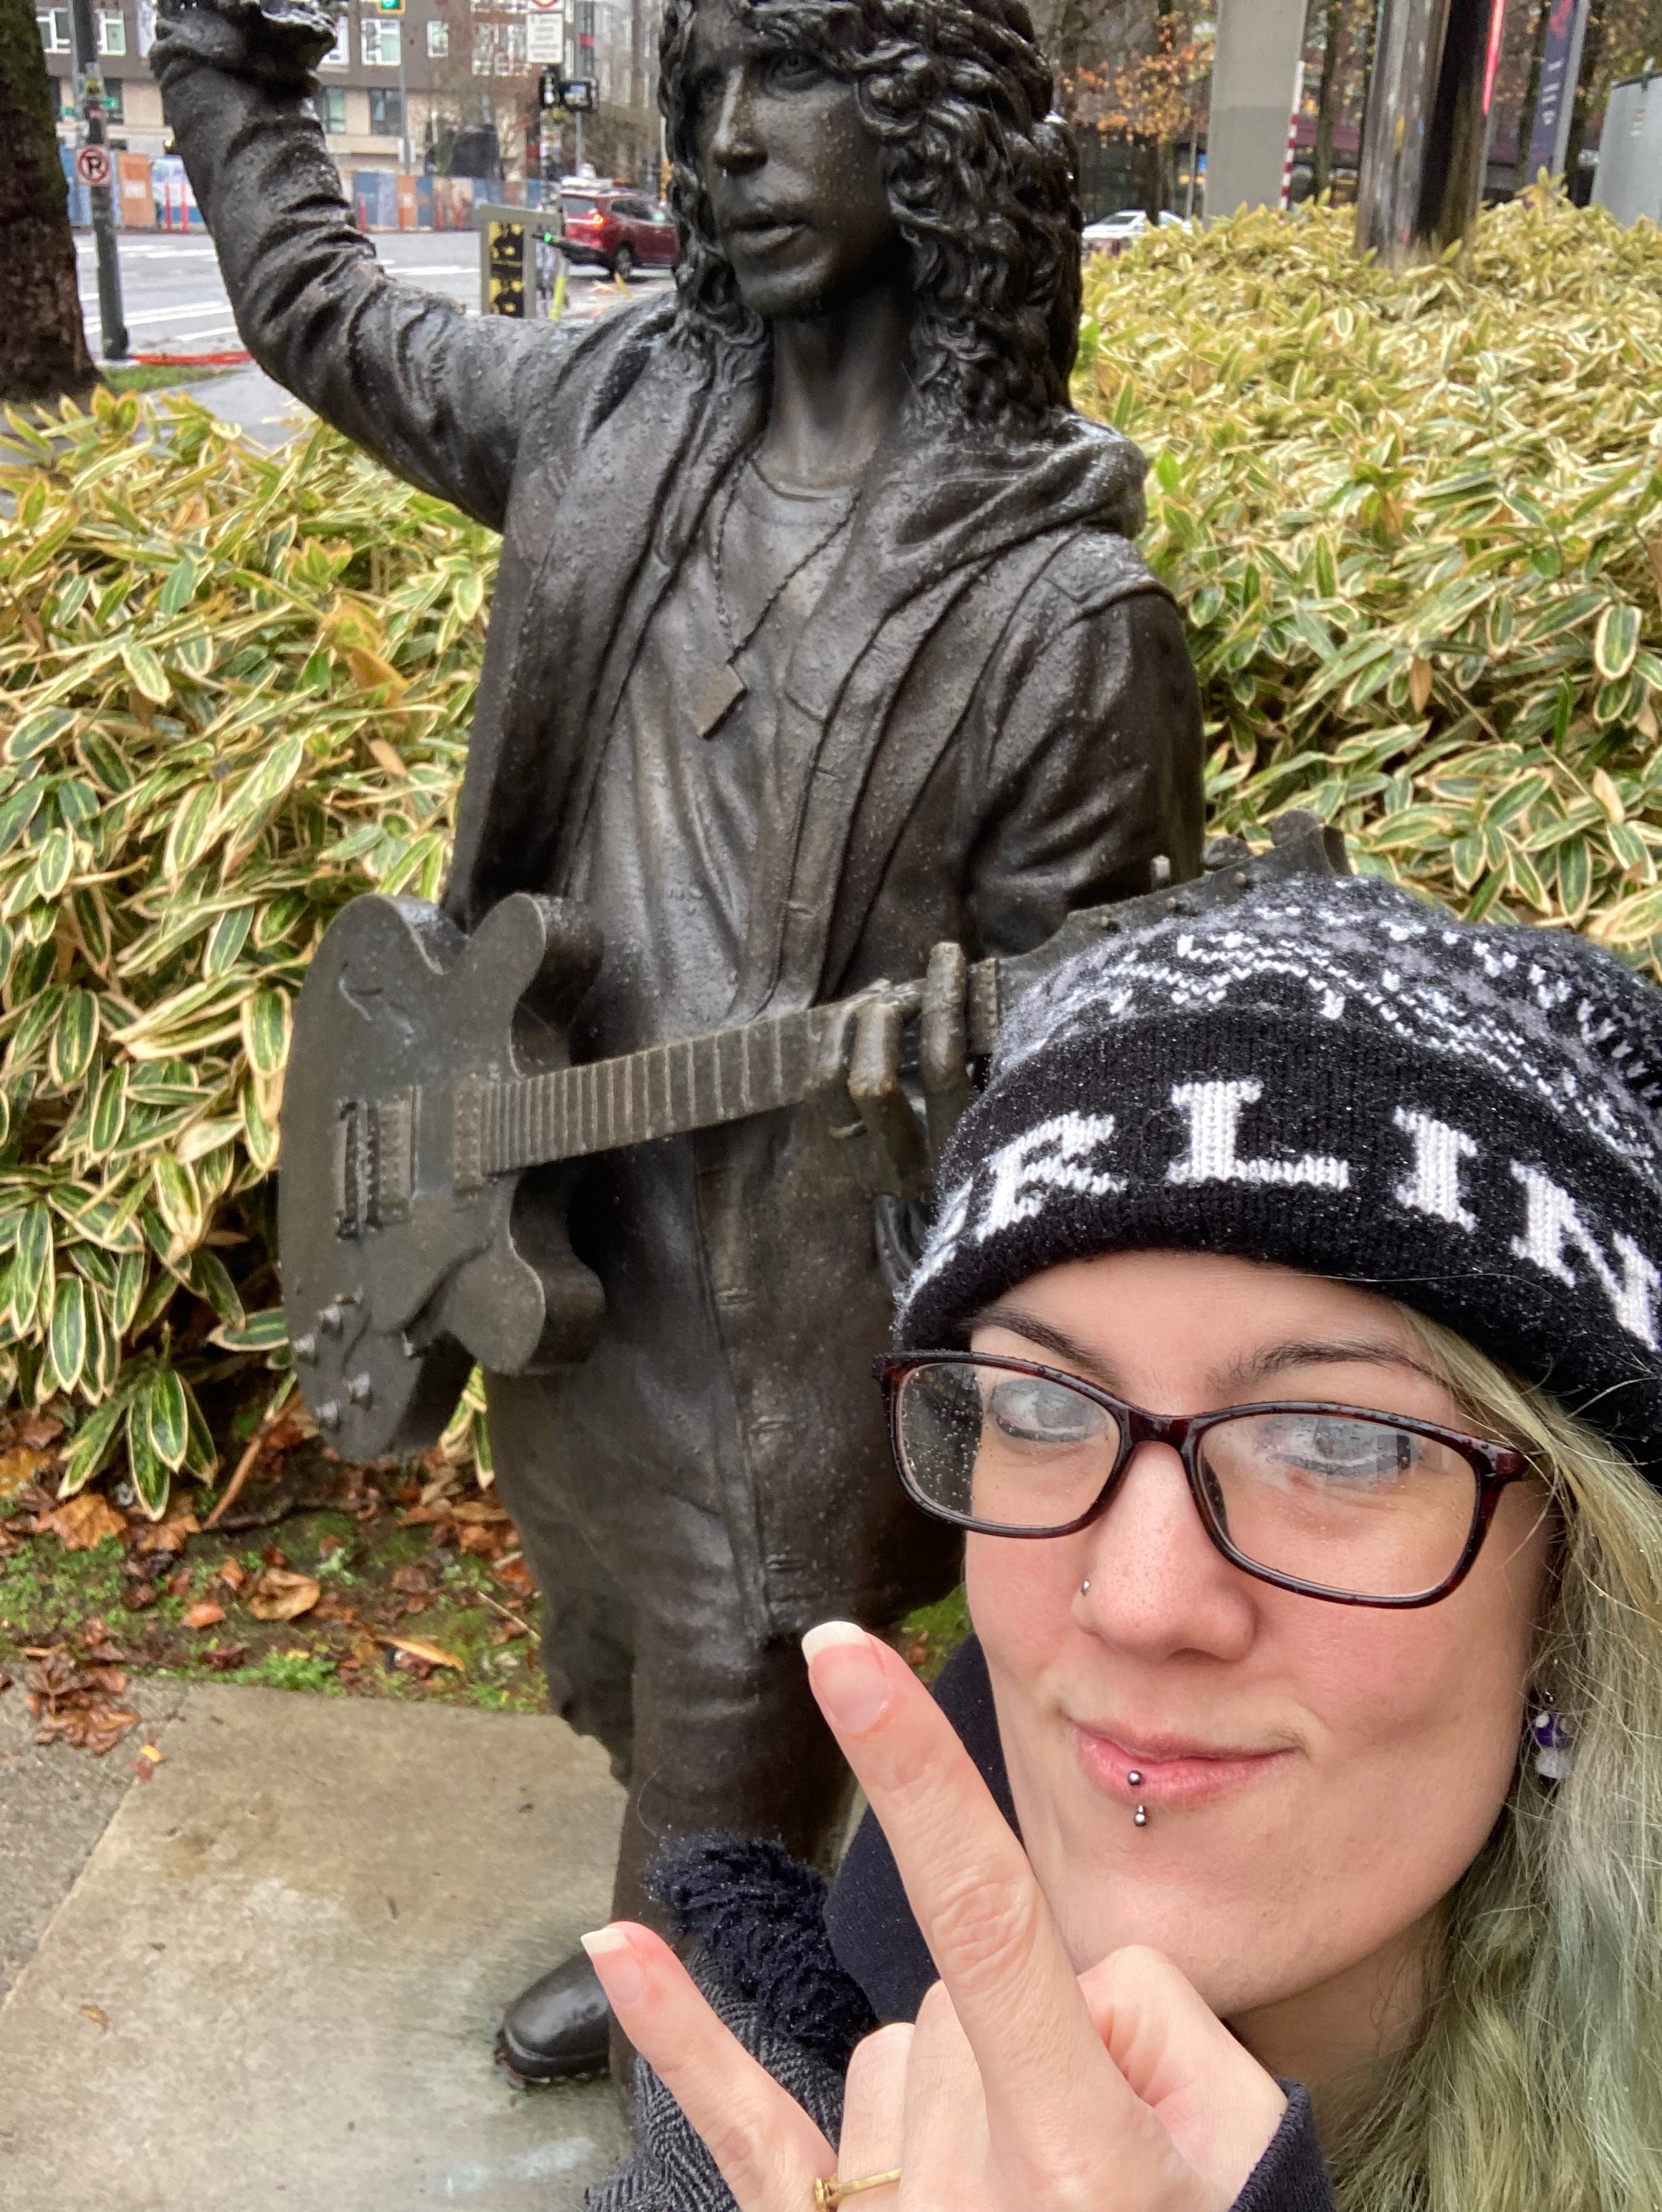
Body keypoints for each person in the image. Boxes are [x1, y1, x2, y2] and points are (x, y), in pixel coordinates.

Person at [150, 0, 1204, 2082]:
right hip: (562, 1208)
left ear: (934, 140)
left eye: (787, 83)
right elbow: (329, 315)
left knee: (746, 1686)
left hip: (799, 1305)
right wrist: (224, 71)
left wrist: (949, 1101)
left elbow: (1101, 1074)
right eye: (703, 90)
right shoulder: (616, 416)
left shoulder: (1066, 622)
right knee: (628, 1668)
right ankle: (689, 1932)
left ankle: (713, 2025)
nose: (725, 139)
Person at [575, 870, 1662, 2211]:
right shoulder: (776, 2123)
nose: (1139, 1602)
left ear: (1578, 1585)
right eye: (1040, 1405)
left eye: (1340, 1442)